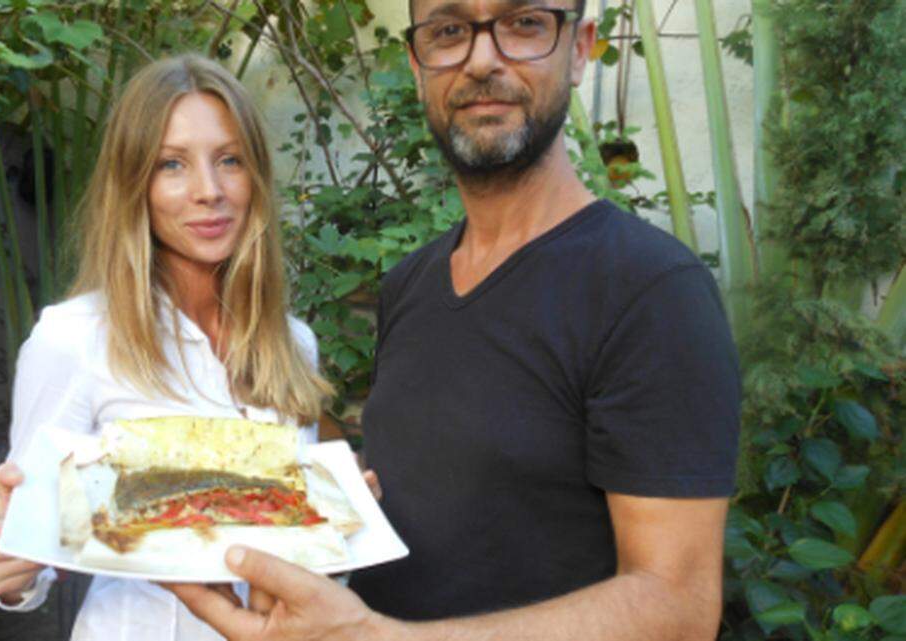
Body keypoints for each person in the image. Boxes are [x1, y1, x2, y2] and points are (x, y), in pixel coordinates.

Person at [169, 0, 741, 639]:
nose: (481, 59)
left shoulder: (650, 291)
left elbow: (679, 605)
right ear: (418, 62)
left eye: (524, 23)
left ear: (579, 48)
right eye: (449, 31)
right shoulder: (410, 283)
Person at [0, 54, 334, 641]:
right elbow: (29, 551)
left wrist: (339, 520)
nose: (209, 191)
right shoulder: (74, 338)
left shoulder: (294, 344)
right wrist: (8, 572)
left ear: (255, 175)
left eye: (229, 160)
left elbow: (299, 547)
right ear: (135, 184)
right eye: (172, 164)